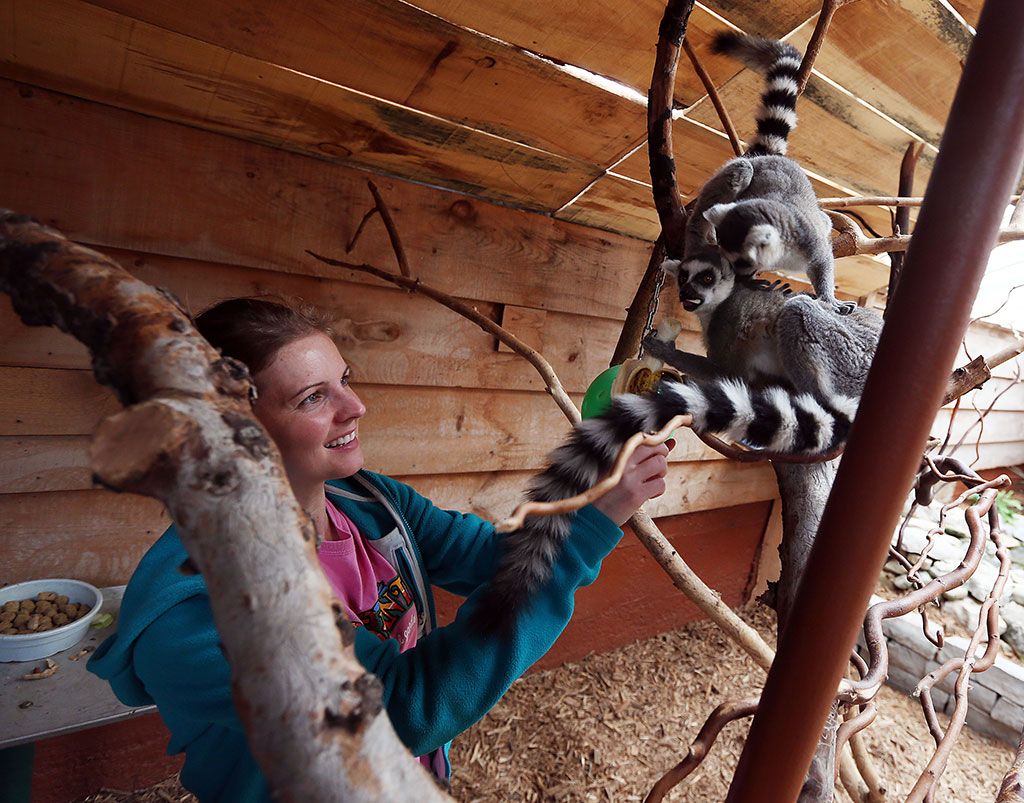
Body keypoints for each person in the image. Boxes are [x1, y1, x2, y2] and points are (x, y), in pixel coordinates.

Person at [89, 296, 672, 800]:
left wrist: (593, 494)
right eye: (314, 397)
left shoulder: (367, 502)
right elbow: (401, 707)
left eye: (347, 378)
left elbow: (493, 562)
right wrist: (599, 519)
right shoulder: (201, 612)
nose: (355, 407)